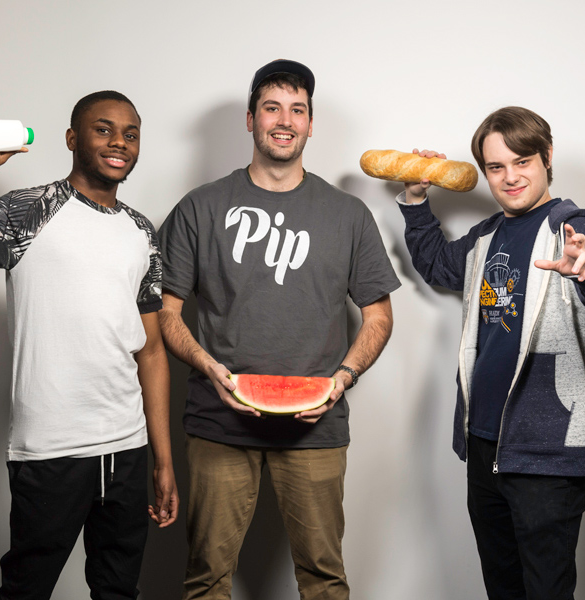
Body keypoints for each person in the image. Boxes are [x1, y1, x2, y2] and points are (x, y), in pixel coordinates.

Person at [0, 91, 179, 599]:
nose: (119, 142)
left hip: (127, 448)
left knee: (118, 593)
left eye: (131, 134)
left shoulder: (141, 232)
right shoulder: (27, 211)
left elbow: (152, 352)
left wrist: (163, 460)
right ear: (72, 139)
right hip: (50, 451)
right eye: (103, 129)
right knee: (27, 591)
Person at [157, 59, 400, 600]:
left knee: (324, 579)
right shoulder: (200, 208)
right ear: (250, 120)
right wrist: (208, 368)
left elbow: (379, 316)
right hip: (218, 423)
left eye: (298, 109)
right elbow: (165, 314)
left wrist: (341, 377)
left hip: (317, 425)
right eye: (272, 108)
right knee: (206, 579)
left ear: (311, 124)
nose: (284, 120)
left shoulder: (349, 214)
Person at [394, 106, 585, 600]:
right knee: (503, 588)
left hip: (547, 449)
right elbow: (440, 266)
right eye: (495, 167)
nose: (509, 178)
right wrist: (416, 199)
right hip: (485, 442)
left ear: (547, 158)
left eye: (522, 162)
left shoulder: (576, 226)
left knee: (546, 591)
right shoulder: (487, 235)